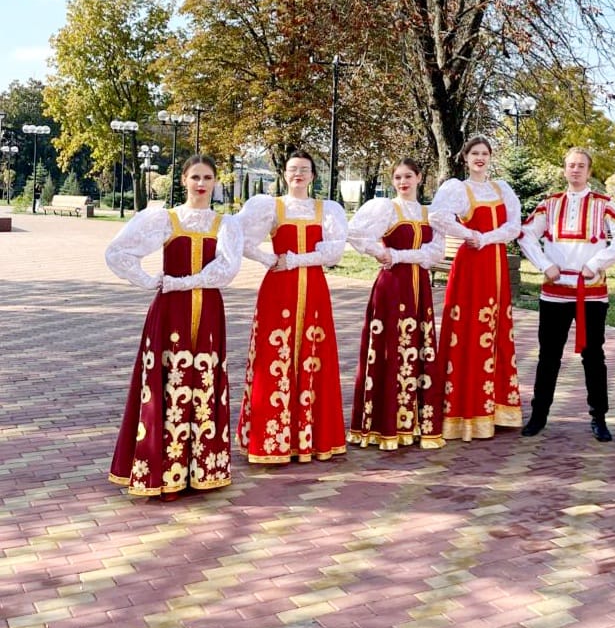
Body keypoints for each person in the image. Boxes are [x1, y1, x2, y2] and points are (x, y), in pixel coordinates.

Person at [105, 154, 243, 498]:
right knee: (166, 382)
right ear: (183, 180)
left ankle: (201, 468)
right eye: (195, 176)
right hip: (169, 313)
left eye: (208, 177)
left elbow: (226, 271)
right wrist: (147, 279)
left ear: (215, 182)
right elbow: (118, 252)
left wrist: (181, 283)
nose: (201, 183)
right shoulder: (165, 220)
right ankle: (161, 467)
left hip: (207, 309)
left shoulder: (225, 225)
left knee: (205, 381)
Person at [235, 151, 348, 464]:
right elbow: (242, 240)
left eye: (305, 170)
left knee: (315, 356)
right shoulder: (271, 207)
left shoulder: (327, 209)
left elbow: (334, 252)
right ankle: (271, 440)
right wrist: (270, 259)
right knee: (273, 358)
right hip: (278, 289)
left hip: (314, 288)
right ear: (284, 174)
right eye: (293, 169)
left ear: (313, 176)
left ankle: (312, 439)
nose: (299, 174)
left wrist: (294, 260)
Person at [518, 147, 615, 442]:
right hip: (554, 294)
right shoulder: (550, 203)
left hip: (591, 294)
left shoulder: (604, 204)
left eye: (581, 166)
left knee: (594, 355)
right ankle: (539, 415)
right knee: (548, 355)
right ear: (564, 169)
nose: (575, 170)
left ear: (589, 171)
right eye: (571, 165)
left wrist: (596, 264)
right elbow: (526, 235)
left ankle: (599, 418)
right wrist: (545, 264)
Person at [348, 159, 447, 450]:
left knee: (418, 346)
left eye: (408, 176)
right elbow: (354, 233)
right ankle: (383, 424)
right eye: (398, 177)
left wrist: (400, 255)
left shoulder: (430, 214)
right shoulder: (386, 208)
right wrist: (379, 252)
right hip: (391, 288)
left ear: (419, 177)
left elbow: (435, 252)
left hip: (419, 289)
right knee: (390, 349)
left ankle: (415, 423)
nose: (403, 182)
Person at [429, 136, 523, 440]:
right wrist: (470, 233)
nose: (480, 158)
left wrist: (486, 238)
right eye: (474, 154)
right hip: (471, 265)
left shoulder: (501, 189)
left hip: (494, 261)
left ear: (490, 157)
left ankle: (494, 407)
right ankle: (464, 409)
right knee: (468, 329)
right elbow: (438, 217)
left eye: (484, 153)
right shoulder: (459, 189)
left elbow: (514, 226)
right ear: (465, 158)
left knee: (496, 328)